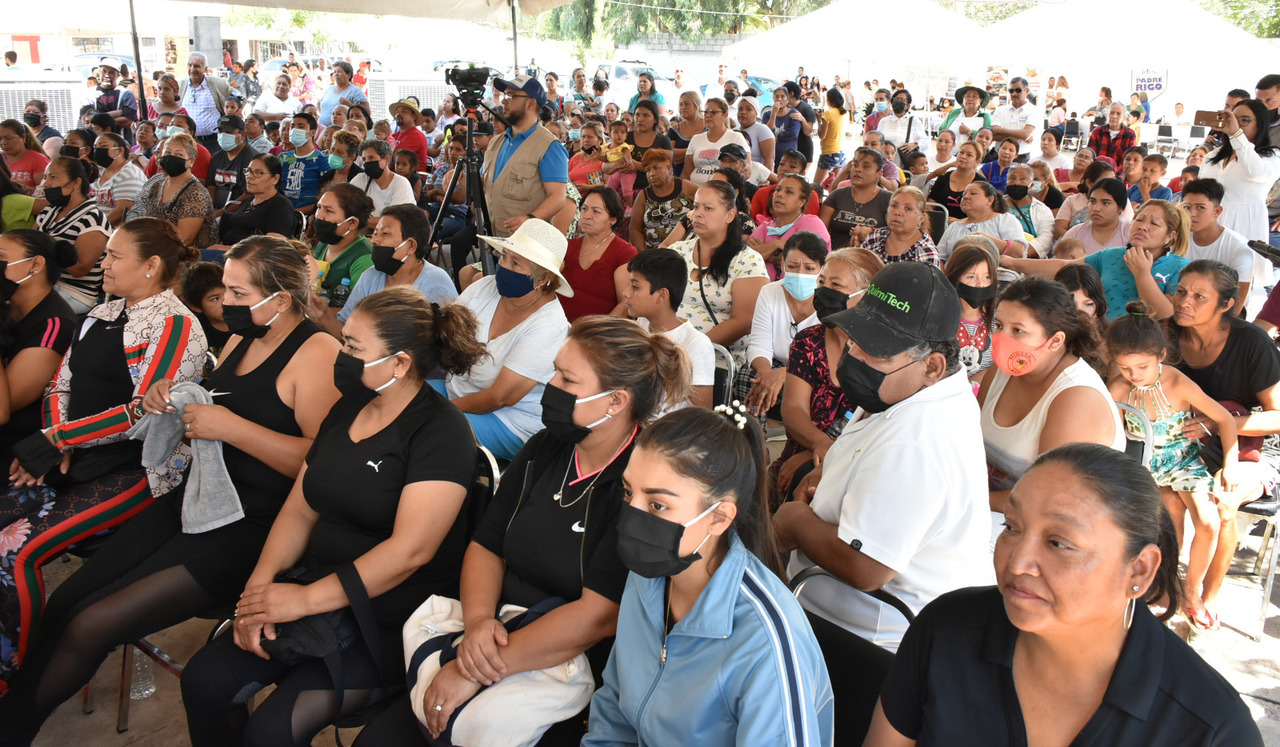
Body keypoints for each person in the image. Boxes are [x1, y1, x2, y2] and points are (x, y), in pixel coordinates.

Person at [0, 237, 340, 741]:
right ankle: (13, 711)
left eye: (237, 293)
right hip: (201, 495)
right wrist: (176, 397)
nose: (224, 304)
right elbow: (213, 401)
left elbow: (321, 466)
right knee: (68, 602)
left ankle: (13, 729)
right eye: (225, 289)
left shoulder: (317, 353)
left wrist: (231, 428)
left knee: (92, 623)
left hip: (255, 524)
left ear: (281, 299)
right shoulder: (243, 338)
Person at [356, 316, 690, 746]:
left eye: (567, 379)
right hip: (490, 634)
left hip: (566, 668)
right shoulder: (546, 448)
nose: (549, 385)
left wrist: (472, 668)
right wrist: (476, 625)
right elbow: (486, 545)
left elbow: (597, 616)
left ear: (615, 402)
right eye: (554, 369)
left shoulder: (638, 485)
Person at [180, 285, 483, 747]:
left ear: (400, 363)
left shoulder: (442, 431)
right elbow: (301, 507)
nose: (340, 354)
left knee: (272, 730)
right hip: (320, 586)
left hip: (392, 617)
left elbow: (409, 552)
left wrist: (302, 601)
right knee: (203, 681)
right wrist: (259, 590)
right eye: (345, 340)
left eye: (354, 348)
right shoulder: (350, 406)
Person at [863, 444, 1264, 746]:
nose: (1018, 561)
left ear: (1138, 569)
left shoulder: (1212, 729)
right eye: (1012, 527)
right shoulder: (947, 631)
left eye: (1059, 543)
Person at [0, 218, 206, 690]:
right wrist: (57, 437)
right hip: (77, 454)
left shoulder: (175, 325)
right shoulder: (102, 313)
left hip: (137, 469)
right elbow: (62, 381)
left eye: (114, 256)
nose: (102, 263)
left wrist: (60, 440)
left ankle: (17, 677)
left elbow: (144, 414)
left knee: (15, 551)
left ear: (151, 266)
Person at [773, 262, 995, 650]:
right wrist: (836, 478)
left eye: (877, 351)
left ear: (932, 366)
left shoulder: (919, 439)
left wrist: (796, 524)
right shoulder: (906, 390)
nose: (855, 355)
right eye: (857, 339)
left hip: (862, 640)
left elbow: (867, 567)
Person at [583, 407, 834, 747]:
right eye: (629, 493)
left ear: (718, 518)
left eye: (658, 505)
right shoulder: (647, 578)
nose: (631, 516)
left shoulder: (765, 639)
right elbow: (615, 708)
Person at [1104, 303, 1237, 631]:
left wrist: (1230, 464)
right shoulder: (1120, 390)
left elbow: (1224, 418)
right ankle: (1166, 586)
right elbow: (1108, 434)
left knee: (1208, 521)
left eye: (1142, 366)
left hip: (1184, 461)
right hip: (1145, 465)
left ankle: (1192, 591)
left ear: (1161, 356)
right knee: (1167, 520)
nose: (1134, 375)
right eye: (1125, 368)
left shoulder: (1177, 383)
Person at [1171, 259, 1280, 628]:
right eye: (1182, 291)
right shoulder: (1167, 335)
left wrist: (1222, 424)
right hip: (1182, 449)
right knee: (1166, 499)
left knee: (1223, 504)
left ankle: (1208, 594)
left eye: (1200, 296)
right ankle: (1169, 586)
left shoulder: (1252, 342)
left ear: (1226, 304)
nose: (1185, 301)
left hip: (1250, 448)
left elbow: (1278, 416)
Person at [976, 274, 1124, 519]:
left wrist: (967, 500)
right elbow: (973, 442)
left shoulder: (1076, 398)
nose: (1003, 339)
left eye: (1018, 330)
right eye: (999, 326)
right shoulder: (1003, 370)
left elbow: (1047, 496)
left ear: (1055, 341)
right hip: (996, 512)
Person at [445, 219, 571, 459]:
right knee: (399, 396)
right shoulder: (484, 287)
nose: (504, 266)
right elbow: (446, 331)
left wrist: (441, 411)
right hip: (460, 392)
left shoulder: (549, 325)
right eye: (504, 257)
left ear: (542, 278)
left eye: (516, 263)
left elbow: (502, 397)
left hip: (513, 419)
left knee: (434, 429)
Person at [773, 247, 882, 497]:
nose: (823, 291)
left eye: (836, 284)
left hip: (859, 461)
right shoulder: (808, 341)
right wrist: (819, 444)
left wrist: (827, 452)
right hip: (806, 447)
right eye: (821, 281)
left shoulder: (881, 353)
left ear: (865, 295)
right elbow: (793, 408)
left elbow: (877, 427)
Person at [0, 230, 77, 464]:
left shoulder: (55, 325)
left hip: (13, 447)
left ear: (35, 265)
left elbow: (2, 410)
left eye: (1, 257)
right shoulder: (9, 304)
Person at [671, 181, 767, 367]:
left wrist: (689, 352)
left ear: (730, 215)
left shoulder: (747, 260)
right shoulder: (677, 252)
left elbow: (743, 321)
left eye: (708, 208)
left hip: (715, 360)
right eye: (696, 206)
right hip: (666, 351)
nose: (698, 213)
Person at [334, 204, 457, 333]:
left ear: (411, 246)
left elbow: (450, 339)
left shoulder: (436, 283)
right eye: (375, 233)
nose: (374, 240)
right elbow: (345, 327)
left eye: (385, 233)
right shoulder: (370, 276)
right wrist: (321, 313)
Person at [743, 231, 825, 420]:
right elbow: (759, 344)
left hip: (814, 369)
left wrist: (786, 373)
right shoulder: (769, 292)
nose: (800, 274)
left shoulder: (830, 301)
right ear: (782, 265)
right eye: (793, 266)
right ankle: (757, 438)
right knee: (747, 378)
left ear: (822, 269)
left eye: (810, 268)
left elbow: (825, 360)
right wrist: (765, 374)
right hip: (775, 362)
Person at [624, 249, 714, 411]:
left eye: (635, 287)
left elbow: (702, 415)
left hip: (670, 432)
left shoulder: (695, 343)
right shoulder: (642, 324)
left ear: (661, 295)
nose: (626, 293)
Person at [485, 76, 570, 238]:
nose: (504, 101)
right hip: (493, 240)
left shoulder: (549, 146)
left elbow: (558, 198)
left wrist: (530, 219)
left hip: (524, 246)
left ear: (531, 103)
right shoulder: (496, 142)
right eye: (504, 96)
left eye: (511, 96)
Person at [33, 157, 110, 315]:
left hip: (75, 292)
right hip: (46, 282)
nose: (45, 183)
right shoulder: (49, 212)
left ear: (76, 183)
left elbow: (80, 268)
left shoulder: (92, 218)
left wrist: (47, 246)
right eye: (46, 177)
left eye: (53, 177)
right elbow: (30, 242)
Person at [1198, 98, 1280, 243]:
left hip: (1244, 227)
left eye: (1244, 120)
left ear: (1260, 125)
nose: (1235, 124)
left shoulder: (1272, 156)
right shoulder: (1213, 156)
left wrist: (1236, 134)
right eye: (1233, 119)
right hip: (1209, 226)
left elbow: (1256, 173)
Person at [561, 187, 636, 321]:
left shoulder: (624, 253)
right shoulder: (567, 246)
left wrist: (599, 333)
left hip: (597, 334)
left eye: (596, 211)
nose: (587, 215)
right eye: (584, 209)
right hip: (556, 325)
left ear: (613, 219)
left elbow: (625, 303)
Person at [133, 133, 217, 249]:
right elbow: (147, 223)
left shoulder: (196, 193)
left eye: (179, 154)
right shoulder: (157, 185)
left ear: (191, 162)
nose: (171, 157)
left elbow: (184, 240)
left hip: (187, 256)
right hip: (157, 247)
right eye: (167, 153)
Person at [310, 183, 374, 325]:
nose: (319, 216)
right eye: (319, 207)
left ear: (352, 223)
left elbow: (355, 312)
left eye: (329, 211)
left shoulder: (364, 259)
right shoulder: (324, 244)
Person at [210, 153, 295, 250]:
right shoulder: (247, 201)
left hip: (252, 260)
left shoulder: (281, 205)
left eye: (258, 173)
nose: (250, 176)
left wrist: (226, 249)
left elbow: (271, 247)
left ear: (275, 179)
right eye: (249, 171)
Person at [749, 175, 830, 274]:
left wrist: (766, 253)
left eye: (789, 192)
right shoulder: (765, 227)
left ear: (802, 201)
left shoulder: (811, 223)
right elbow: (748, 257)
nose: (780, 194)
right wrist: (777, 244)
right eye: (778, 190)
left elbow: (807, 260)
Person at [945, 238, 998, 376]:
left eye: (987, 277)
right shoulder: (940, 319)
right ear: (955, 278)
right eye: (972, 277)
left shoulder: (999, 320)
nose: (981, 284)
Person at [821, 147, 892, 249]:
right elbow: (820, 234)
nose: (858, 170)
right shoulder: (837, 195)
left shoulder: (889, 200)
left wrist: (873, 232)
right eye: (855, 165)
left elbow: (897, 235)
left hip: (870, 258)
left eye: (866, 166)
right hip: (833, 256)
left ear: (879, 173)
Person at [936, 182, 1026, 261]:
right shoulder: (954, 226)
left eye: (973, 193)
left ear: (990, 200)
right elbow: (940, 257)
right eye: (964, 195)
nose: (966, 197)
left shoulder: (1005, 219)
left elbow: (1018, 251)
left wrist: (984, 241)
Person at [629, 149, 696, 252]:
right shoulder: (643, 195)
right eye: (648, 170)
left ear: (669, 168)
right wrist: (643, 252)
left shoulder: (686, 187)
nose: (651, 174)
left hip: (685, 251)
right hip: (653, 253)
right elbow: (634, 228)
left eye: (656, 168)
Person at [349, 139, 415, 225]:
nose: (367, 162)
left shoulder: (401, 183)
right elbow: (346, 207)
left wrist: (358, 221)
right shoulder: (361, 179)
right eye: (364, 159)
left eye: (371, 157)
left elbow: (393, 221)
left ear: (387, 159)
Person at [685, 97, 748, 185]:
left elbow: (747, 172)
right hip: (695, 192)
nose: (708, 115)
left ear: (725, 115)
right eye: (706, 112)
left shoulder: (736, 137)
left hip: (722, 191)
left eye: (713, 112)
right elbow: (686, 174)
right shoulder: (696, 139)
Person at [88, 132, 144, 227]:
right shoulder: (99, 170)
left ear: (120, 151)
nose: (98, 150)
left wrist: (98, 228)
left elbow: (122, 210)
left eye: (103, 146)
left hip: (110, 230)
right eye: (95, 147)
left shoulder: (129, 175)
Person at [179, 53, 230, 154]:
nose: (193, 69)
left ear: (205, 68)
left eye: (197, 66)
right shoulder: (180, 84)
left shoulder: (218, 84)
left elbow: (239, 98)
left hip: (214, 142)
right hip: (188, 142)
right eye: (190, 65)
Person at [1004, 163, 1054, 257]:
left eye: (1023, 179)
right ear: (1006, 182)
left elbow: (1045, 241)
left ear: (1031, 185)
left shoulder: (1043, 211)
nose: (1016, 183)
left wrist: (1019, 254)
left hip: (1028, 260)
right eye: (1012, 178)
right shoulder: (994, 206)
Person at [207, 115, 254, 215]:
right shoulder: (216, 157)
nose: (223, 135)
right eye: (220, 131)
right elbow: (211, 187)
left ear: (243, 134)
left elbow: (249, 194)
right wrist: (209, 212)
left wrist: (219, 214)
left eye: (229, 132)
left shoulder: (252, 159)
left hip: (241, 213)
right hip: (217, 210)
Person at [927, 142, 985, 220]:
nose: (963, 156)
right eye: (961, 152)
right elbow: (932, 199)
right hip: (940, 223)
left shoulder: (981, 182)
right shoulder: (944, 177)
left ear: (977, 161)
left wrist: (959, 222)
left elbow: (983, 211)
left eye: (969, 155)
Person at [877, 88, 931, 167]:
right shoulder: (884, 121)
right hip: (885, 166)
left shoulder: (914, 121)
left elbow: (925, 142)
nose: (898, 102)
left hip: (904, 167)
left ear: (908, 105)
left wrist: (915, 144)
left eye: (902, 100)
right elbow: (877, 142)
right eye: (896, 99)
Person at [990, 77, 1038, 160]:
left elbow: (1025, 134)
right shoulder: (1000, 110)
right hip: (998, 155)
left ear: (1027, 91)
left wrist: (999, 130)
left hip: (1021, 157)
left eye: (1018, 90)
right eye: (1011, 91)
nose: (1014, 93)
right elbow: (993, 135)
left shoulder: (1033, 111)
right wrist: (1020, 136)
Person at [92, 58, 139, 141]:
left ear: (118, 75)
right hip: (95, 142)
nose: (107, 75)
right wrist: (119, 113)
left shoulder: (127, 94)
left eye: (111, 72)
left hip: (121, 141)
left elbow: (128, 122)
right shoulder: (89, 94)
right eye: (104, 71)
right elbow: (88, 120)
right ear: (99, 72)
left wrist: (99, 120)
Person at [0, 120, 48, 194]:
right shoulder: (1, 158)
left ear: (23, 137)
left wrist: (17, 187)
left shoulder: (39, 160)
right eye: (0, 139)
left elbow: (45, 192)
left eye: (8, 138)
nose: (3, 142)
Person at [385, 96, 430, 173]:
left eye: (404, 111)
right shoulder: (394, 135)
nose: (399, 114)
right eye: (397, 111)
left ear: (414, 116)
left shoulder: (416, 135)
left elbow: (397, 156)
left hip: (412, 180)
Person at [815, 88, 849, 185]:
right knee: (833, 186)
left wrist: (818, 121)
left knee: (816, 186)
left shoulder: (829, 113)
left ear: (829, 100)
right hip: (839, 153)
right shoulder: (842, 113)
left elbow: (822, 136)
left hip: (828, 152)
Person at [317, 61, 367, 128]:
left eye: (340, 72)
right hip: (323, 130)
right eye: (334, 72)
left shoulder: (355, 91)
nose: (336, 74)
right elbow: (319, 102)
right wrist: (323, 116)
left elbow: (366, 112)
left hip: (342, 131)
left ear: (348, 75)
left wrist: (349, 104)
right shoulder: (330, 89)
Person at [668, 91, 704, 178]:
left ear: (697, 106)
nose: (683, 107)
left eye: (687, 104)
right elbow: (670, 155)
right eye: (680, 104)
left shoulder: (709, 127)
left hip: (703, 176)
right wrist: (695, 151)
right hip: (678, 177)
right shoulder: (674, 129)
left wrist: (681, 154)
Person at [735, 96, 775, 172]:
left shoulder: (762, 130)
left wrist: (764, 181)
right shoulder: (734, 131)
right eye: (740, 109)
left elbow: (769, 159)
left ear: (756, 113)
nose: (743, 112)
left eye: (748, 109)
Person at [568, 121, 605, 189]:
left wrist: (588, 188)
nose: (585, 140)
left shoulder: (605, 158)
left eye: (590, 137)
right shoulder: (576, 157)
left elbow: (609, 185)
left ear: (600, 140)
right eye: (583, 137)